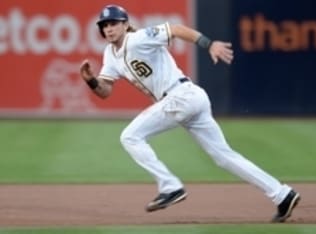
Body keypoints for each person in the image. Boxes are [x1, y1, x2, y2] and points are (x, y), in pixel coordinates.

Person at [80, 4, 300, 222]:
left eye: (114, 23)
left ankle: (171, 186)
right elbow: (105, 91)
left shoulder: (137, 38)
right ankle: (282, 194)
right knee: (224, 156)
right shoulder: (110, 53)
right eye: (105, 25)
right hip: (187, 99)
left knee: (130, 136)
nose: (109, 28)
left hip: (180, 95)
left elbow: (175, 29)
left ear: (125, 24)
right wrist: (91, 80)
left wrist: (209, 44)